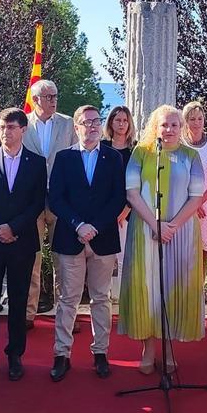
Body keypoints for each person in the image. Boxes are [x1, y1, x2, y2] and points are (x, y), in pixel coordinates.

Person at [118, 104, 207, 374]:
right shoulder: (141, 153)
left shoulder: (191, 155)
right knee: (148, 288)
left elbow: (197, 195)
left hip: (180, 233)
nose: (169, 130)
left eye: (174, 125)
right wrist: (156, 224)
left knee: (172, 287)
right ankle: (148, 349)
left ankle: (169, 348)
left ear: (182, 128)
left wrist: (172, 226)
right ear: (154, 127)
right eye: (164, 125)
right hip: (145, 230)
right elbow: (132, 193)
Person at [46, 105, 127, 381]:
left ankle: (101, 353)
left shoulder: (113, 158)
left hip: (103, 239)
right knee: (68, 299)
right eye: (86, 122)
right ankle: (62, 355)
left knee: (101, 298)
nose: (92, 126)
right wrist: (79, 225)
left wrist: (96, 226)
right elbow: (55, 198)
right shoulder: (64, 158)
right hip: (71, 237)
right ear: (76, 127)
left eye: (96, 121)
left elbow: (118, 198)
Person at [0, 108, 47, 382]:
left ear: (23, 130)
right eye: (2, 127)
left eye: (12, 127)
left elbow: (37, 202)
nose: (6, 132)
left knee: (18, 302)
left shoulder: (37, 163)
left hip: (22, 242)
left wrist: (14, 228)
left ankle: (15, 356)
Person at [22, 79, 77, 325]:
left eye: (55, 95)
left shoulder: (68, 124)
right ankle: (27, 314)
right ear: (35, 100)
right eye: (49, 96)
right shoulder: (22, 125)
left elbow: (77, 158)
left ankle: (66, 315)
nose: (54, 100)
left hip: (61, 199)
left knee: (63, 259)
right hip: (30, 199)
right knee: (30, 257)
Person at [102, 105, 135, 300]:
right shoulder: (101, 148)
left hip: (127, 213)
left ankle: (123, 301)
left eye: (125, 120)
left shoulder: (136, 150)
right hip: (104, 214)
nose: (122, 124)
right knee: (104, 261)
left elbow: (137, 185)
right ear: (111, 123)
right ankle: (103, 300)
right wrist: (108, 213)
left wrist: (124, 211)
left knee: (124, 259)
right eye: (118, 120)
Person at [180, 100, 207, 257]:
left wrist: (200, 202)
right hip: (184, 205)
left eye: (199, 119)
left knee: (203, 254)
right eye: (192, 119)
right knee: (186, 252)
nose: (196, 123)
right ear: (185, 121)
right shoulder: (179, 145)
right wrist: (192, 204)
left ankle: (201, 283)